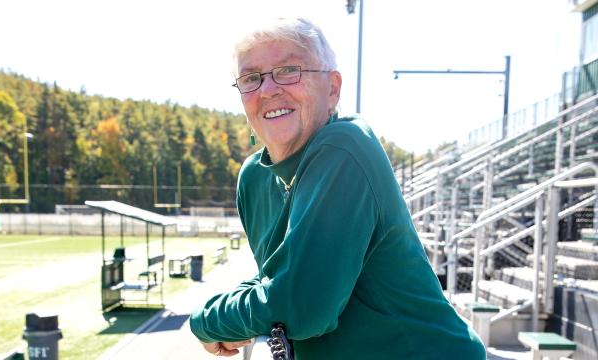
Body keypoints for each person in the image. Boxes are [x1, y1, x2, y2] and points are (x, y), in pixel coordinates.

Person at [190, 17, 486, 359]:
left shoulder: (344, 148)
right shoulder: (255, 179)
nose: (268, 90)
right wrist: (227, 314)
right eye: (251, 78)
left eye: (289, 70)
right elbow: (275, 282)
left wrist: (207, 321)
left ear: (332, 88)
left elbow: (301, 306)